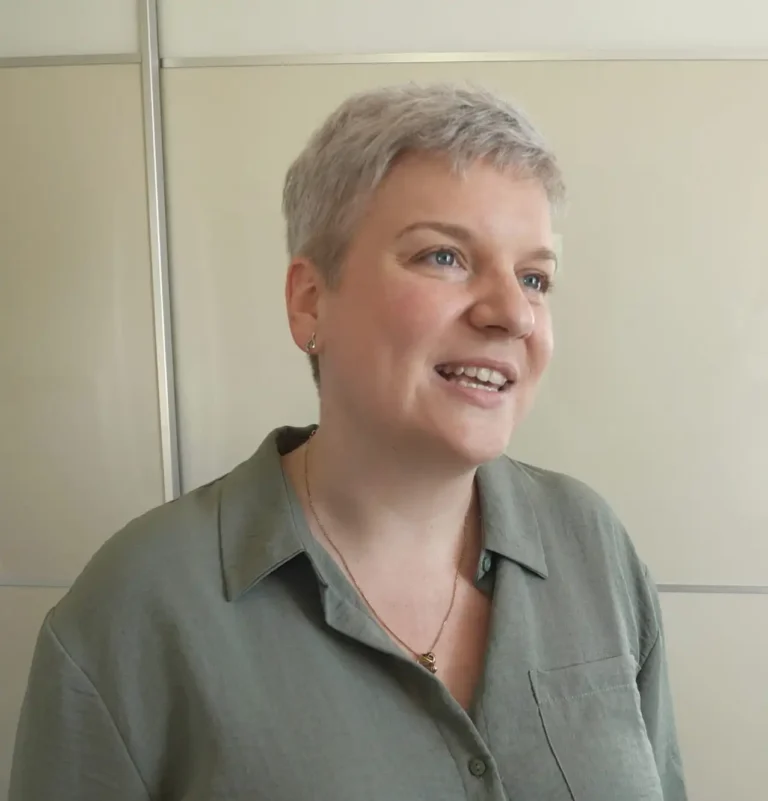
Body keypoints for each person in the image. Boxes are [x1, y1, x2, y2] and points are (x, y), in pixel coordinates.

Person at [10, 83, 687, 800]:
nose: (512, 313)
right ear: (310, 302)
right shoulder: (135, 610)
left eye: (534, 277)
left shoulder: (593, 547)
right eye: (444, 257)